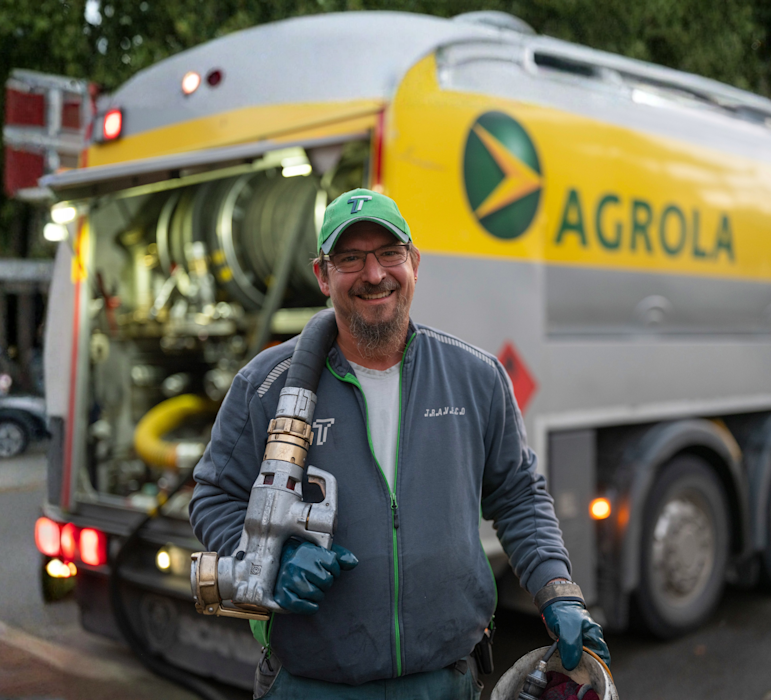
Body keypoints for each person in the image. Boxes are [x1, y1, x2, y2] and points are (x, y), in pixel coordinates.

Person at [189, 189, 610, 699]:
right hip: (310, 685)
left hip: (443, 683)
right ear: (323, 275)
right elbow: (215, 497)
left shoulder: (475, 377)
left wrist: (558, 593)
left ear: (414, 263)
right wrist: (272, 557)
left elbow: (519, 495)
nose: (374, 274)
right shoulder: (267, 384)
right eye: (350, 258)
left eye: (390, 253)